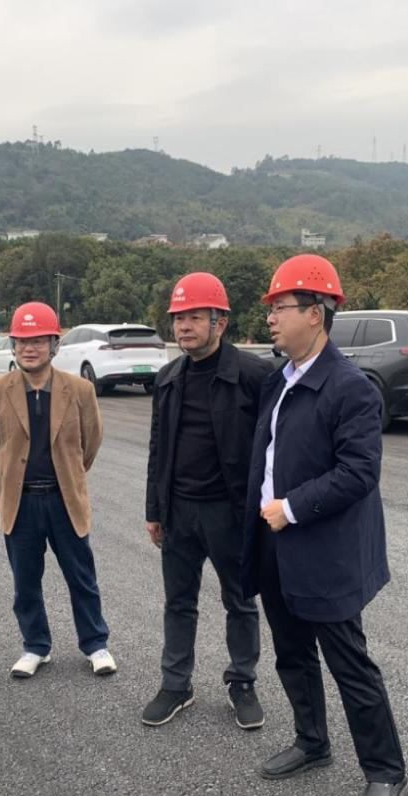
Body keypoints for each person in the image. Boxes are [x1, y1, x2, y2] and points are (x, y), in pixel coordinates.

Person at [241, 254, 407, 796]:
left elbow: (359, 472)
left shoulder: (348, 388)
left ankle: (385, 771)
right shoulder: (279, 381)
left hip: (324, 550)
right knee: (291, 652)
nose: (270, 318)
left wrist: (290, 507)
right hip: (274, 543)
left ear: (315, 314)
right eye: (270, 309)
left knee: (348, 663)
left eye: (280, 307)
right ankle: (312, 742)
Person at [142, 273, 274, 729]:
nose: (184, 326)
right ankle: (176, 684)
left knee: (240, 601)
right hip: (179, 511)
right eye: (178, 318)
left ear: (221, 322)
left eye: (195, 317)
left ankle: (242, 682)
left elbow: (275, 446)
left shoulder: (254, 375)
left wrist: (264, 509)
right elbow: (158, 448)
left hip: (231, 513)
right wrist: (154, 510)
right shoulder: (168, 378)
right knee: (178, 602)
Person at [0, 302, 116, 678]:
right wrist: (11, 473)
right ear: (14, 345)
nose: (29, 348)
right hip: (20, 503)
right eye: (22, 341)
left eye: (37, 341)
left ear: (54, 344)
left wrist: (70, 474)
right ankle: (35, 646)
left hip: (64, 500)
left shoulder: (80, 390)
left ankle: (95, 644)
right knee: (25, 581)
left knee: (81, 577)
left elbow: (91, 442)